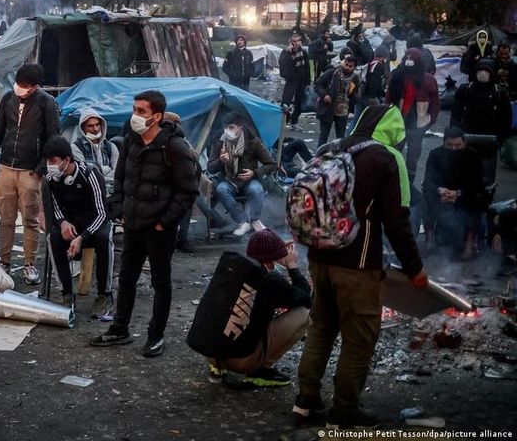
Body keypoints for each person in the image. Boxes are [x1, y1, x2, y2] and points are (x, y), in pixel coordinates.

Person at [294, 104, 428, 430]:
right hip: (357, 264)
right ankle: (344, 411)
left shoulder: (334, 148)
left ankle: (305, 402)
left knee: (321, 329)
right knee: (359, 339)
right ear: (393, 128)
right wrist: (414, 268)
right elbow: (397, 222)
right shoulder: (385, 158)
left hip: (319, 257)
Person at [90, 90, 199, 357]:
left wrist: (164, 222)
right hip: (132, 223)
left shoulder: (174, 147)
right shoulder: (131, 141)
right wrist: (120, 210)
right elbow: (120, 178)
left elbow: (188, 191)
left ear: (157, 116)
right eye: (134, 110)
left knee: (160, 282)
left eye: (141, 111)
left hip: (159, 229)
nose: (135, 116)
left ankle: (155, 335)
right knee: (127, 278)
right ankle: (119, 328)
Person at [0, 63, 60, 285]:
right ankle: (5, 260)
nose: (20, 88)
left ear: (35, 87)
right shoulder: (8, 99)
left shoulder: (47, 103)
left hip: (30, 171)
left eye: (25, 86)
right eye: (18, 84)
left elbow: (53, 138)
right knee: (5, 218)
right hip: (6, 167)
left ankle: (29, 264)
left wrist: (40, 169)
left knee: (30, 219)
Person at [206, 230, 311, 388]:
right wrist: (292, 266)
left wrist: (273, 250)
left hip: (210, 351)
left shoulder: (231, 265)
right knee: (305, 314)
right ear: (271, 260)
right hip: (239, 361)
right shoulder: (270, 280)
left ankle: (217, 367)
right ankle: (260, 370)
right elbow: (306, 298)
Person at [41, 136, 114, 316]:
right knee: (53, 238)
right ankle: (67, 294)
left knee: (104, 239)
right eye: (48, 161)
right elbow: (54, 208)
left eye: (53, 161)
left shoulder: (90, 175)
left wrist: (83, 237)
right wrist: (63, 223)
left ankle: (104, 295)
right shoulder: (51, 179)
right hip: (71, 225)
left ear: (66, 160)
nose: (50, 165)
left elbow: (102, 213)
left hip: (94, 225)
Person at [207, 113, 276, 236]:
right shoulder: (219, 141)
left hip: (249, 180)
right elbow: (210, 168)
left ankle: (255, 220)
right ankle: (243, 221)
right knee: (221, 189)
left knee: (256, 189)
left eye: (231, 127)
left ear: (240, 127)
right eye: (226, 127)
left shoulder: (253, 142)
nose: (228, 131)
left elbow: (271, 164)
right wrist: (221, 161)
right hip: (229, 180)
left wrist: (254, 173)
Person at [422, 127, 486, 259]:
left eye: (458, 145)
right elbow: (428, 180)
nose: (454, 149)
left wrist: (458, 193)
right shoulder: (435, 154)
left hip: (465, 194)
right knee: (427, 197)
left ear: (464, 143)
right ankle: (429, 239)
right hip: (443, 195)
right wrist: (440, 190)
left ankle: (469, 244)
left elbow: (478, 183)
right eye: (450, 145)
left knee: (477, 200)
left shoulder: (473, 156)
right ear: (444, 143)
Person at [450, 60, 511, 187]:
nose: (483, 74)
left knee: (485, 174)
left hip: (489, 141)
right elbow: (456, 113)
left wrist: (501, 138)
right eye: (480, 71)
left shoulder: (499, 93)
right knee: (464, 171)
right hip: (467, 138)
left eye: (486, 71)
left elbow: (505, 118)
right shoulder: (465, 90)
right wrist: (454, 133)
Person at [386, 48, 440, 180]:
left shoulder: (428, 80)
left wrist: (430, 120)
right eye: (407, 57)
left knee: (413, 156)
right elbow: (388, 97)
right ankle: (393, 179)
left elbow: (435, 103)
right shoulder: (398, 76)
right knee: (394, 152)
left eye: (412, 58)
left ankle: (409, 181)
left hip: (418, 124)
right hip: (398, 121)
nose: (409, 61)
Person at [314, 54, 360, 148]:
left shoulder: (355, 78)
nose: (347, 67)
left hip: (343, 110)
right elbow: (318, 84)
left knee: (340, 138)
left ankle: (339, 155)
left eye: (350, 66)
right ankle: (319, 155)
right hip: (328, 108)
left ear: (354, 67)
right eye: (346, 64)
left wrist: (353, 100)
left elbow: (354, 95)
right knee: (324, 136)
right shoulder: (333, 73)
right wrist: (324, 95)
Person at [71, 108, 119, 184]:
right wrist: (108, 169)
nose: (95, 129)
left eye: (97, 124)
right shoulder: (76, 148)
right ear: (83, 128)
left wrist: (98, 175)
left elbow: (118, 172)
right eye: (90, 126)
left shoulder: (111, 147)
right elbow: (84, 174)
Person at [279, 34, 310, 131]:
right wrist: (288, 53)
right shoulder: (286, 52)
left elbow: (307, 67)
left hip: (301, 80)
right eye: (294, 41)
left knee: (299, 102)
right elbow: (282, 64)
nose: (296, 43)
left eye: (298, 41)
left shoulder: (303, 52)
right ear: (290, 42)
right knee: (285, 103)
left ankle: (294, 122)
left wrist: (308, 81)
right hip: (291, 80)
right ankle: (282, 122)